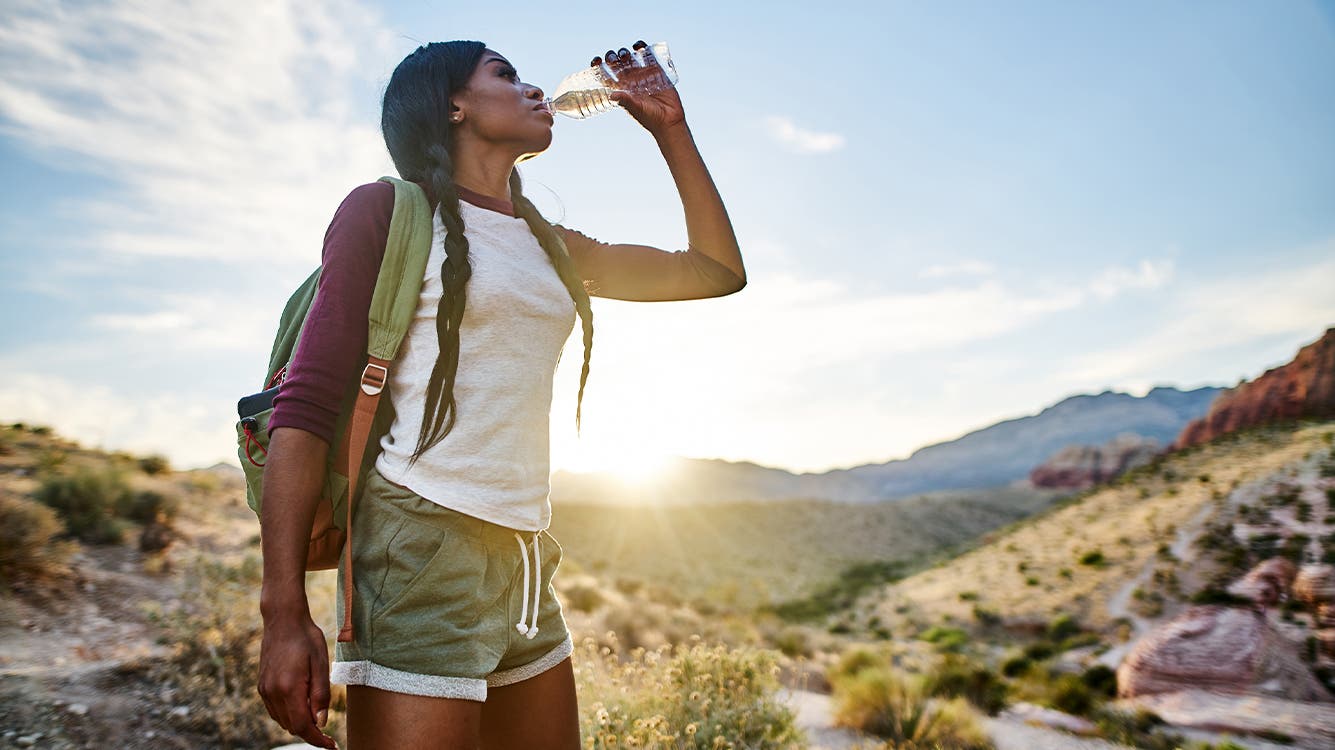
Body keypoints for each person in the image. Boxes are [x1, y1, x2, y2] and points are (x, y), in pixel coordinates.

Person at [256, 39, 746, 749]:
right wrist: (282, 614)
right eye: (504, 75)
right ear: (452, 104)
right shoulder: (385, 213)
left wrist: (670, 128)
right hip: (417, 546)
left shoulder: (548, 244)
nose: (533, 88)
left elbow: (713, 271)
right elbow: (301, 410)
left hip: (524, 556)